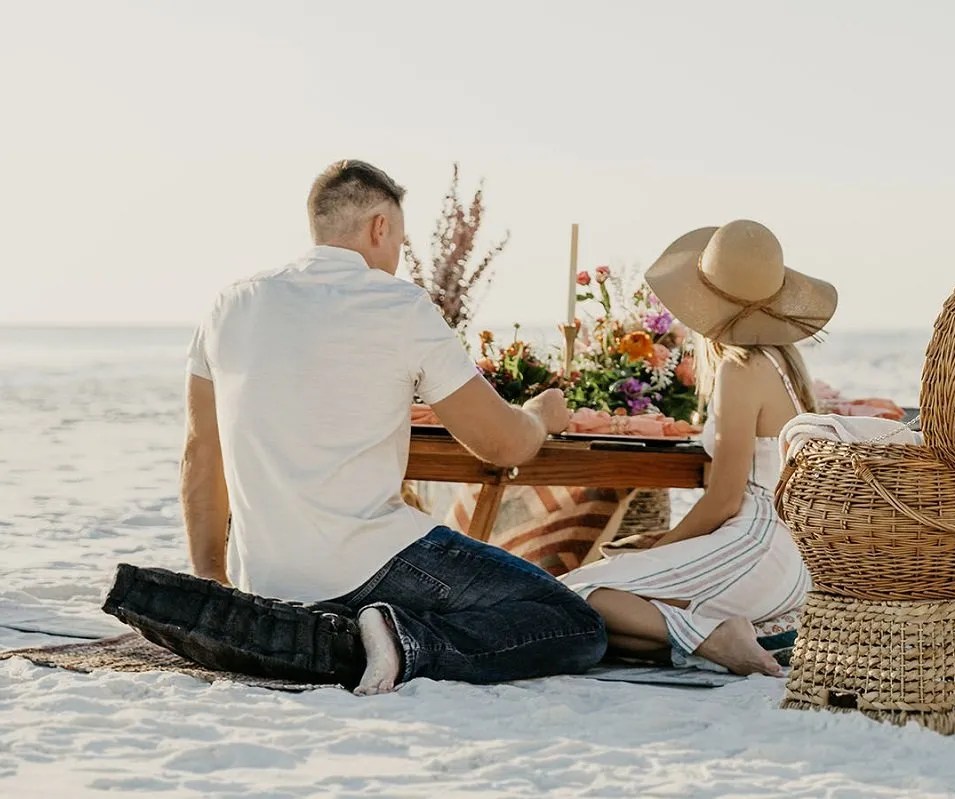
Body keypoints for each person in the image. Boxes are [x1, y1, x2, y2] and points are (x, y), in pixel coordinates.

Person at [181, 159, 605, 694]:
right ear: (380, 227)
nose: (398, 260)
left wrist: (213, 582)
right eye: (400, 244)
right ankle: (407, 643)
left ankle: (352, 638)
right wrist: (542, 415)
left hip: (264, 578)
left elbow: (201, 453)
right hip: (371, 557)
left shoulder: (229, 305)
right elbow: (501, 445)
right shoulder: (398, 304)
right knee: (574, 624)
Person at [560, 220, 835, 676]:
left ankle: (716, 635)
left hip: (757, 546)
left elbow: (726, 500)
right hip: (795, 559)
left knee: (574, 595)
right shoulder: (784, 366)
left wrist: (660, 550)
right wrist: (671, 549)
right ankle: (724, 641)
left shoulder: (739, 368)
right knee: (597, 629)